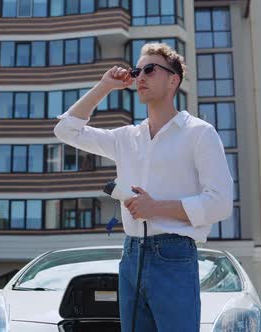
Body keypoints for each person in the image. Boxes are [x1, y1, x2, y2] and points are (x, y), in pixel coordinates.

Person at [53, 42, 233, 332]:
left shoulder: (199, 133)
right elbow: (65, 130)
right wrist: (104, 86)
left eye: (150, 69)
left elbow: (221, 202)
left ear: (173, 80)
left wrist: (156, 207)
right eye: (137, 71)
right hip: (131, 255)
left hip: (174, 255)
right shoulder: (126, 138)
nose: (140, 77)